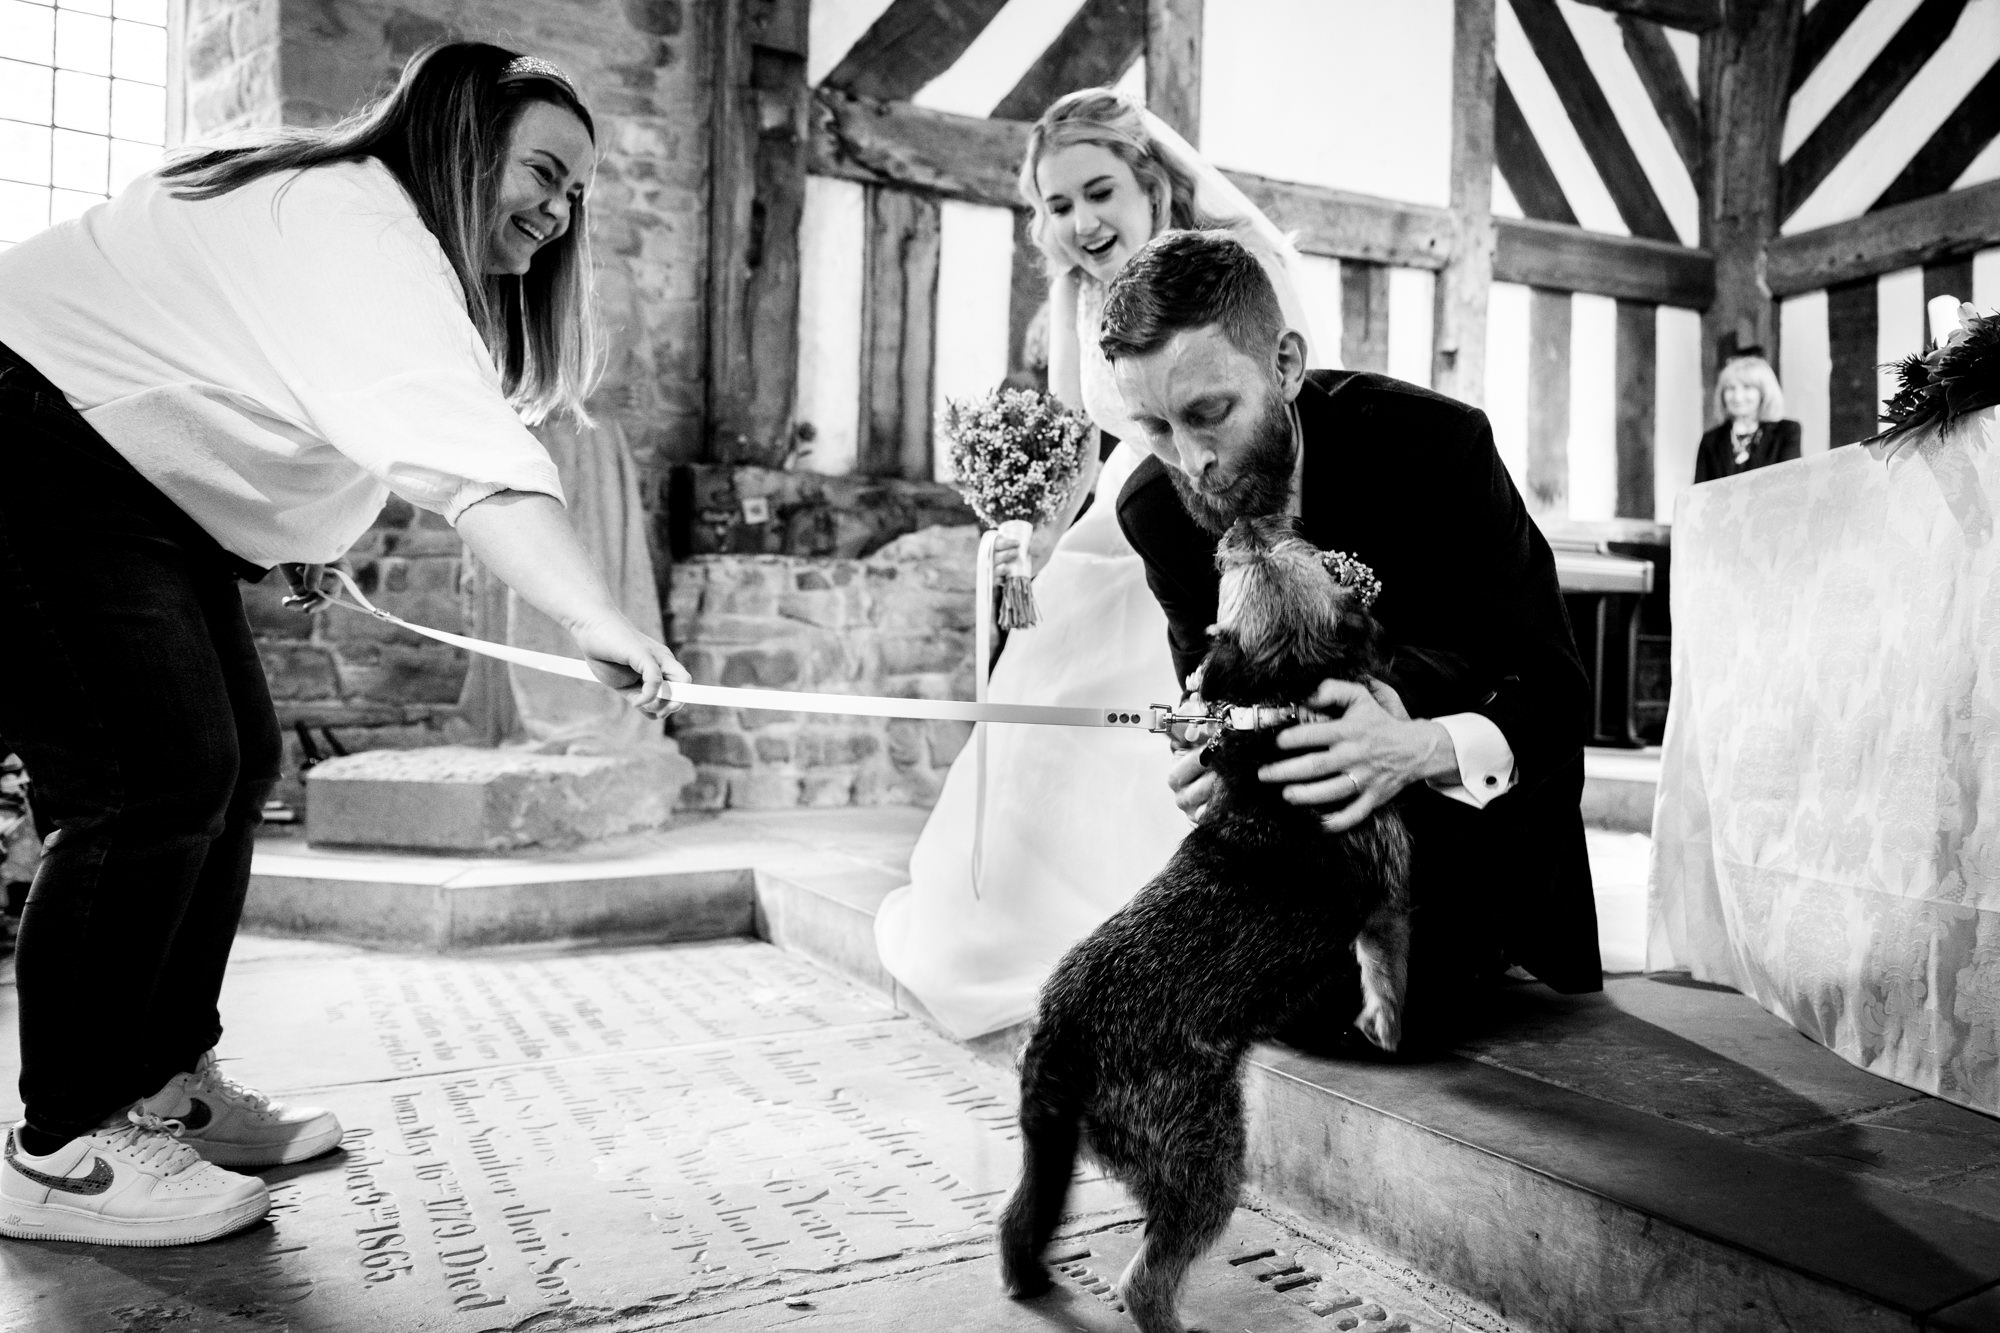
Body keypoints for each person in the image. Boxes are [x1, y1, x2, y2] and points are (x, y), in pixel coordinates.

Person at [0, 42, 688, 1247]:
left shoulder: (362, 233)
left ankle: (162, 1080)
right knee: (146, 777)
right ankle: (61, 1143)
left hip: (109, 472)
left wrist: (283, 532)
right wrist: (592, 613)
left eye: (578, 192)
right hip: (22, 438)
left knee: (236, 759)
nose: (558, 209)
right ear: (459, 142)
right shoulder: (357, 223)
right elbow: (472, 465)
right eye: (543, 169)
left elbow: (259, 391)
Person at [873, 89, 1331, 1040]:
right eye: (1058, 205)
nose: (1082, 223)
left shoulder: (1230, 271)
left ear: (1150, 185)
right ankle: (1027, 937)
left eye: (1099, 192)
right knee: (1042, 705)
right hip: (1121, 519)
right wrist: (1029, 534)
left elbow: (1284, 407)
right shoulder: (1076, 295)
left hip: (1224, 505)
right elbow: (1082, 437)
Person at [1106, 229, 1601, 1049]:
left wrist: (1410, 746)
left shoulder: (1438, 450)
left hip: (1469, 806)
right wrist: (1206, 747)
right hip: (1303, 835)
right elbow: (1206, 679)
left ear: (1287, 365)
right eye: (1155, 428)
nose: (1190, 460)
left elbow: (1554, 691)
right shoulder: (1155, 512)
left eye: (1208, 413)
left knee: (1369, 1006)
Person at [1693, 352, 1800, 483]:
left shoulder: (1787, 431)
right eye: (1730, 388)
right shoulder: (1710, 440)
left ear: (1764, 392)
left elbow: (1791, 483)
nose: (1737, 397)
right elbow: (1699, 494)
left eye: (1747, 387)